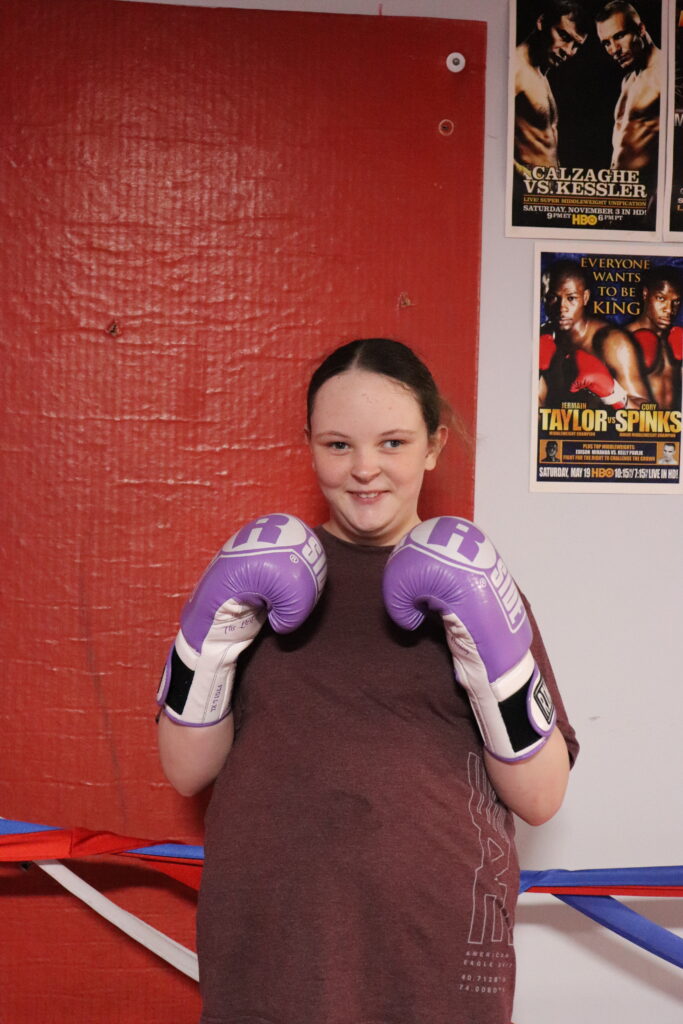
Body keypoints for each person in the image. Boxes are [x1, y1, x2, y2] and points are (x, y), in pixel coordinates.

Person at [158, 338, 579, 1024]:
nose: (363, 470)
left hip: (431, 933)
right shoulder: (253, 580)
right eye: (336, 445)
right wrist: (212, 633)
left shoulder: (478, 587)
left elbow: (540, 798)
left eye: (391, 442)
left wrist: (489, 650)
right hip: (269, 929)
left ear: (432, 446)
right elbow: (184, 772)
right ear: (309, 445)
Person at [539, 258, 652, 410]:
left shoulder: (612, 342)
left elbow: (648, 415)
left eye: (571, 298)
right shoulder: (542, 337)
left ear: (585, 298)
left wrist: (611, 393)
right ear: (543, 299)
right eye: (553, 298)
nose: (561, 308)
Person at [513, 1, 590, 170]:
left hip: (546, 189)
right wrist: (521, 175)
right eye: (564, 36)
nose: (569, 51)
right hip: (526, 190)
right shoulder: (516, 68)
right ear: (541, 22)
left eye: (576, 45)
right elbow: (481, 132)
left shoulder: (540, 73)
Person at [595, 2, 662, 181]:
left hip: (647, 193)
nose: (614, 50)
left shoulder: (666, 72)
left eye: (619, 36)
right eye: (606, 43)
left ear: (640, 29)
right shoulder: (628, 80)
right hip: (620, 192)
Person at [626, 266, 683, 410]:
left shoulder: (676, 339)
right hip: (636, 429)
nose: (669, 310)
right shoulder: (622, 340)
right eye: (661, 298)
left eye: (675, 302)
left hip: (674, 429)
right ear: (645, 294)